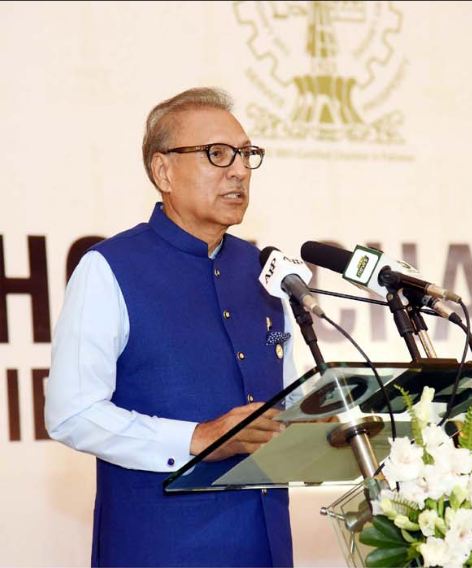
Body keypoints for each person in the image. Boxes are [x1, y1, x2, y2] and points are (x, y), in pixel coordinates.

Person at [46, 87, 293, 565]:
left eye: (246, 154)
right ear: (163, 171)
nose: (239, 170)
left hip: (265, 546)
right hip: (161, 547)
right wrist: (197, 438)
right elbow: (71, 414)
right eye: (217, 154)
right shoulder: (109, 268)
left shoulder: (264, 270)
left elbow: (287, 393)